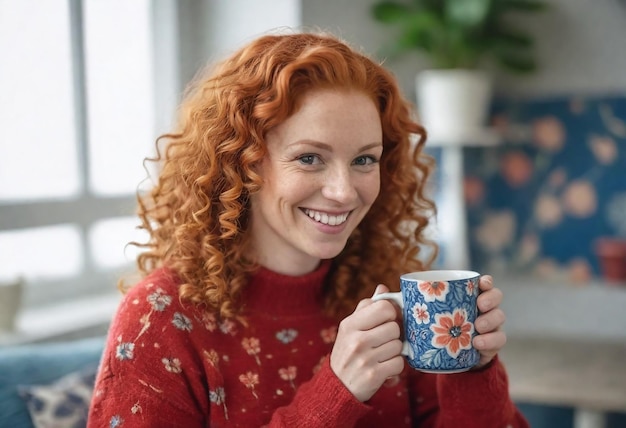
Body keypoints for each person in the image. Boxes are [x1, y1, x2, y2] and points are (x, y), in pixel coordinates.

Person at [88, 31, 528, 427]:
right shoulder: (161, 319)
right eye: (309, 158)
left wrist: (474, 369)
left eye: (364, 160)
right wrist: (336, 394)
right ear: (243, 162)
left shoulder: (392, 295)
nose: (343, 192)